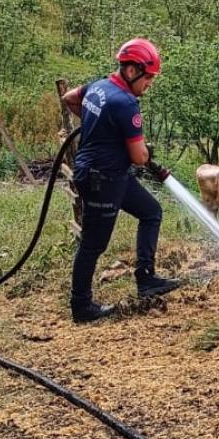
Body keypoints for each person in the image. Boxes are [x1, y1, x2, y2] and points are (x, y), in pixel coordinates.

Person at [62, 38, 180, 324]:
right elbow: (140, 158)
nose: (149, 84)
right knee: (93, 243)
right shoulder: (125, 103)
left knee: (151, 212)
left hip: (114, 174)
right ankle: (82, 307)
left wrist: (96, 122)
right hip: (101, 178)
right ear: (131, 71)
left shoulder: (99, 86)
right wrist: (139, 147)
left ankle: (146, 279)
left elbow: (69, 99)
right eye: (148, 78)